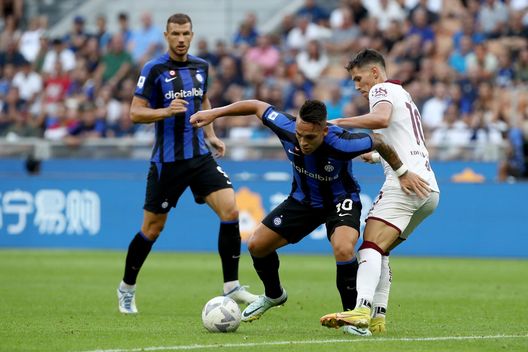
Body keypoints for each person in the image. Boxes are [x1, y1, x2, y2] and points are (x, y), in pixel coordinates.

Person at [190, 99, 430, 336]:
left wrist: (402, 173)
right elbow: (256, 106)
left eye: (310, 137)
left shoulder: (342, 142)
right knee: (256, 245)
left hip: (340, 201)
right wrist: (214, 113)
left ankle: (351, 317)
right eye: (299, 135)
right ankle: (274, 295)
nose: (303, 142)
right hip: (302, 201)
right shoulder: (286, 126)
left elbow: (379, 140)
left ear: (324, 130)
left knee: (344, 248)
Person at [116, 13, 258, 314]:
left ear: (191, 35)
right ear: (167, 36)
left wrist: (211, 134)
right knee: (152, 229)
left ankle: (231, 286)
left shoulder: (201, 67)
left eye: (186, 34)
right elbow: (134, 113)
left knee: (230, 210)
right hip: (167, 163)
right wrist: (165, 111)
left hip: (199, 156)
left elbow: (203, 102)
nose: (181, 39)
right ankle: (126, 287)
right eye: (175, 34)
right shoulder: (154, 70)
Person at [320, 48, 440, 334]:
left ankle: (361, 308)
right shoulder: (404, 94)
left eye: (359, 78)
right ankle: (378, 317)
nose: (357, 86)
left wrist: (337, 123)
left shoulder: (381, 90)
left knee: (369, 246)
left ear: (375, 72)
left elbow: (381, 119)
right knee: (381, 250)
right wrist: (376, 156)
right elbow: (405, 138)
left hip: (405, 184)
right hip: (429, 190)